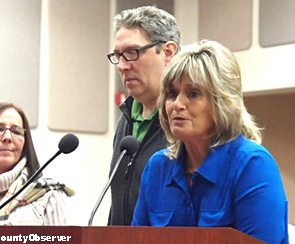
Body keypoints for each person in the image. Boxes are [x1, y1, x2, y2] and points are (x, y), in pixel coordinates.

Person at [131, 40, 289, 244]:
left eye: (193, 94)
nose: (177, 104)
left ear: (222, 102)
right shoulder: (157, 167)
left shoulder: (252, 166)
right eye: (172, 94)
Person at [107, 5, 181, 225]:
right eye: (118, 55)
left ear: (167, 52)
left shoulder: (185, 122)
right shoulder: (126, 118)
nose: (121, 66)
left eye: (131, 53)